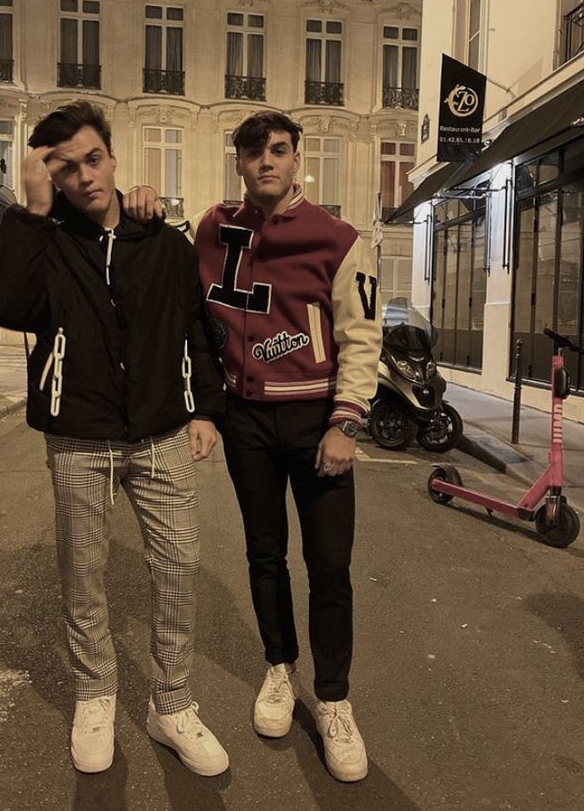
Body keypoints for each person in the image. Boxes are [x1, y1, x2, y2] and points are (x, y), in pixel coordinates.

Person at [125, 111, 382, 783]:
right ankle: (279, 667)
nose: (265, 161)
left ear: (297, 158)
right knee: (263, 553)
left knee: (329, 564)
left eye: (277, 150)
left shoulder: (339, 238)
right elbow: (175, 282)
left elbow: (361, 337)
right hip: (247, 419)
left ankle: (333, 699)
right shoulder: (212, 228)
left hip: (316, 420)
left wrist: (345, 423)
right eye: (252, 151)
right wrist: (143, 211)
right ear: (238, 162)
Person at [0, 100, 228, 777]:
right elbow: (4, 304)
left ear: (113, 157)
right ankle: (96, 692)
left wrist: (205, 409)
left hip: (162, 431)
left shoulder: (163, 240)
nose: (84, 176)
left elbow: (196, 331)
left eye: (93, 159)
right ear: (50, 175)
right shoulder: (47, 240)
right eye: (66, 167)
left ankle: (171, 703)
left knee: (177, 565)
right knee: (83, 568)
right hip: (78, 432)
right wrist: (30, 211)